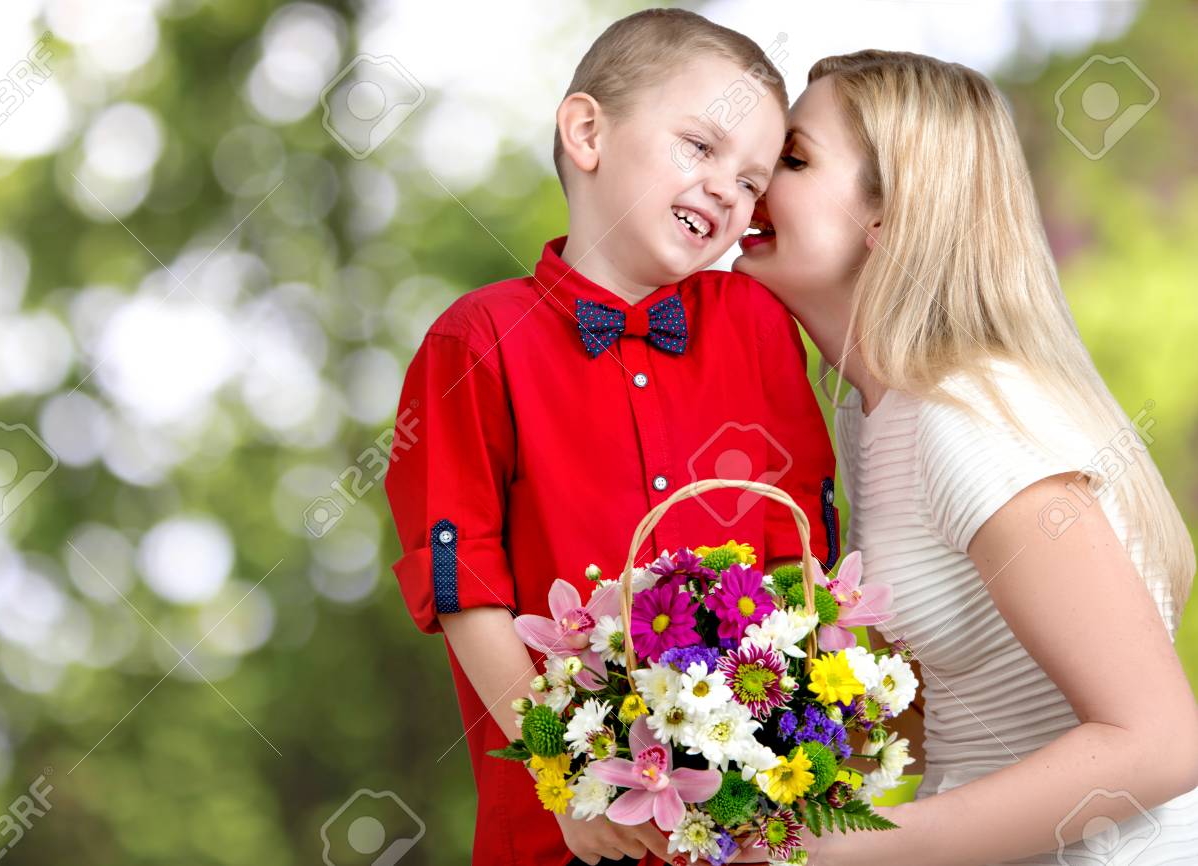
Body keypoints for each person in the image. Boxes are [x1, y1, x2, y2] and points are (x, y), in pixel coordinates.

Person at [384, 9, 841, 865]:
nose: (726, 192)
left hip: (749, 827)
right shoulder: (475, 340)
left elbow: (803, 555)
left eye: (750, 182)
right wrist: (569, 771)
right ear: (588, 132)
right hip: (566, 833)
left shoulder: (759, 324)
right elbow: (464, 584)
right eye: (699, 147)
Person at [728, 49, 1198, 865]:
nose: (750, 179)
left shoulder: (965, 417)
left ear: (888, 218)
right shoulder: (869, 417)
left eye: (792, 159)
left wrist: (840, 849)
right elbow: (959, 710)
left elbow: (1159, 743)